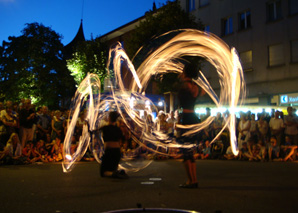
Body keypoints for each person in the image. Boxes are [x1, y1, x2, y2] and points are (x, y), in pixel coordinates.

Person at [177, 62, 205, 189]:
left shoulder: (184, 86)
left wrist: (182, 79)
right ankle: (194, 180)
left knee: (185, 152)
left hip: (186, 119)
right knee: (190, 152)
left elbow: (181, 99)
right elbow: (202, 92)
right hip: (194, 118)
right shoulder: (194, 87)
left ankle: (190, 181)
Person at [99, 111, 128, 179]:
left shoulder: (105, 128)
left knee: (103, 172)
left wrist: (88, 125)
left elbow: (93, 132)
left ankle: (115, 174)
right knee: (111, 169)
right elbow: (124, 139)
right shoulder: (118, 129)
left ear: (109, 118)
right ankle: (119, 172)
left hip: (109, 152)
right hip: (117, 153)